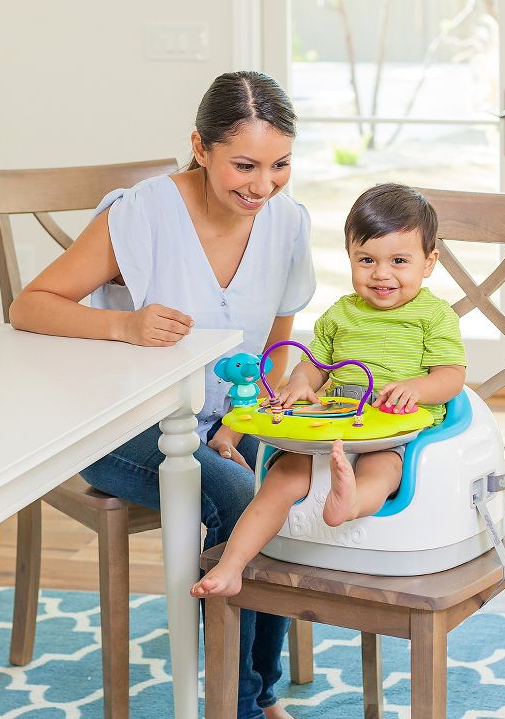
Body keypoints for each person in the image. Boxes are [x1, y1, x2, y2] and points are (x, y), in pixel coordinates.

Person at [9, 71, 316, 719]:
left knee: (291, 470)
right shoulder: (143, 214)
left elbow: (272, 347)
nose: (262, 186)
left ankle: (257, 691)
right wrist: (122, 324)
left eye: (280, 165)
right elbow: (29, 305)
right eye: (244, 165)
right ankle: (236, 706)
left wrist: (248, 419)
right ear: (200, 148)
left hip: (223, 418)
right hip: (121, 427)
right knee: (238, 494)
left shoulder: (287, 223)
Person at [192, 183, 466, 599]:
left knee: (383, 469)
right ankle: (232, 566)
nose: (382, 274)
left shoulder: (434, 316)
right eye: (367, 260)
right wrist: (301, 383)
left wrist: (414, 387)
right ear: (350, 258)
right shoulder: (339, 314)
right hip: (331, 427)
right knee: (281, 476)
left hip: (389, 434)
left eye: (399, 261)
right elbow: (313, 366)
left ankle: (350, 502)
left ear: (429, 263)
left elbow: (451, 377)